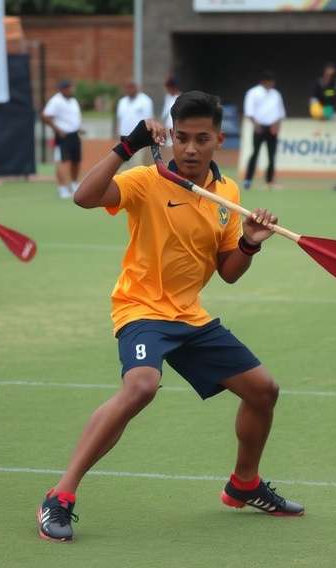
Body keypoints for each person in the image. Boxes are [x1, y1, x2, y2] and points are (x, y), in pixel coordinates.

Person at [36, 91, 304, 543]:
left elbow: (229, 272)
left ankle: (244, 484)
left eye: (202, 139)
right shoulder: (145, 180)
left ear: (219, 139)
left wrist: (250, 243)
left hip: (191, 316)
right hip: (141, 308)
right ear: (172, 138)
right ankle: (59, 497)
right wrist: (127, 145)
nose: (192, 149)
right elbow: (84, 197)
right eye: (182, 138)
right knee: (141, 385)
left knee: (263, 390)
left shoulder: (228, 193)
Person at [243, 71, 285, 190]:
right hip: (259, 127)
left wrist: (276, 125)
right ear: (263, 82)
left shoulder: (276, 94)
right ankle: (248, 180)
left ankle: (269, 181)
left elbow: (280, 113)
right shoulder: (253, 92)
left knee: (272, 155)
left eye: (272, 82)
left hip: (272, 128)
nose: (271, 84)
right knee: (255, 153)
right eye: (269, 81)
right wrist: (256, 125)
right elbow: (249, 111)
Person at [42, 80, 83, 199]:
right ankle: (62, 188)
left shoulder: (73, 101)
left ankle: (75, 184)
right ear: (62, 90)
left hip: (74, 135)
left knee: (76, 161)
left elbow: (72, 118)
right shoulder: (56, 101)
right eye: (69, 88)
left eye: (71, 88)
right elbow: (45, 116)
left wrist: (78, 128)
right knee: (63, 162)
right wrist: (58, 130)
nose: (71, 90)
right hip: (62, 136)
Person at [115, 81, 154, 166]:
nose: (129, 90)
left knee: (137, 166)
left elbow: (149, 120)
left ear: (137, 88)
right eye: (127, 87)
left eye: (131, 87)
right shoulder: (122, 102)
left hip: (139, 139)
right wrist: (117, 136)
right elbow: (119, 120)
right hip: (124, 139)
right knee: (122, 166)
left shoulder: (145, 101)